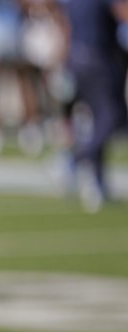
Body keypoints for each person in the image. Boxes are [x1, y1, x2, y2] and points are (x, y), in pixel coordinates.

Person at [60, 0, 128, 212]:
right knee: (111, 117)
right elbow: (123, 14)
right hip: (99, 60)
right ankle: (75, 159)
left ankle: (98, 184)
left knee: (98, 120)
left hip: (78, 59)